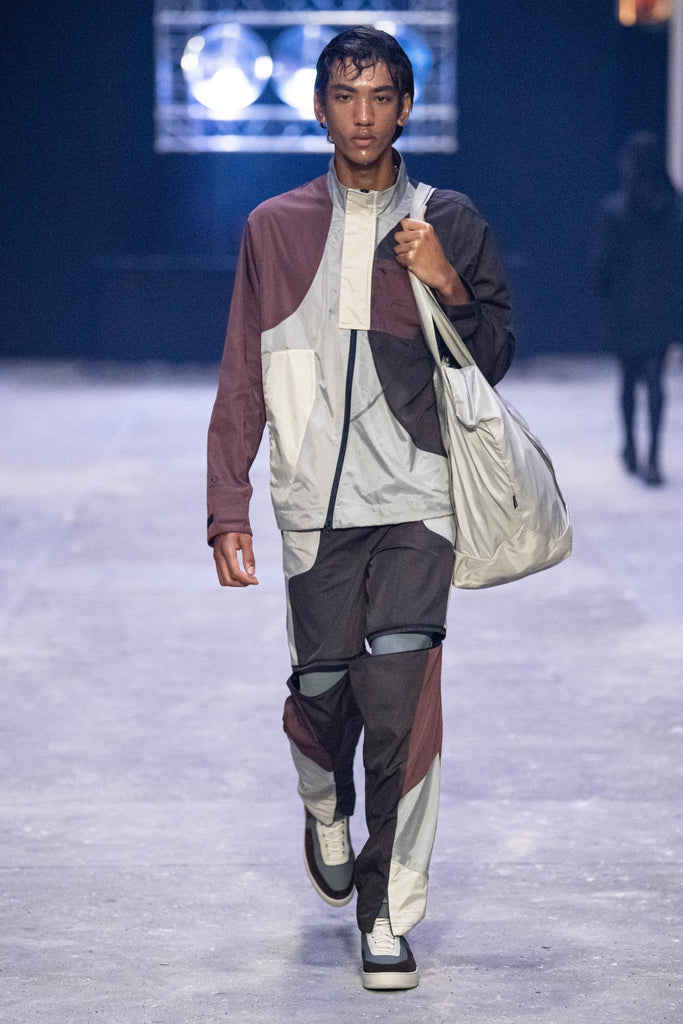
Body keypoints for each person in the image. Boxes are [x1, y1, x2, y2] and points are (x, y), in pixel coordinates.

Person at [207, 27, 514, 990]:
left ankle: (387, 912)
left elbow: (495, 356)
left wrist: (446, 281)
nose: (364, 115)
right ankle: (323, 802)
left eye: (381, 96)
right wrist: (227, 503)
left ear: (407, 107)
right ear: (318, 107)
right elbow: (242, 370)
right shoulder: (273, 226)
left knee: (402, 710)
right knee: (322, 694)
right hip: (313, 507)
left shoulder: (447, 218)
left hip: (419, 498)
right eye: (345, 96)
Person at [594, 131, 683, 486]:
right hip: (664, 306)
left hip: (626, 308)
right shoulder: (677, 210)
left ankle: (631, 448)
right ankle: (654, 457)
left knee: (629, 380)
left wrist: (604, 298)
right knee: (656, 378)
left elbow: (603, 264)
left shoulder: (615, 210)